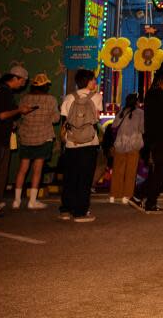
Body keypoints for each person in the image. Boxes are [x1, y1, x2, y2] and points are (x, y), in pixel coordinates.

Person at [0, 66, 33, 217]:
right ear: (15, 78)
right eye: (22, 81)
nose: (23, 84)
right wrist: (19, 110)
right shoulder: (4, 92)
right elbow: (1, 115)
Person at [129, 68, 163, 214]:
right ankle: (147, 201)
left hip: (151, 138)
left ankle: (140, 198)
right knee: (160, 171)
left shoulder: (149, 95)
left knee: (156, 170)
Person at [59, 69, 103, 223]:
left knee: (71, 177)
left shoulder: (69, 97)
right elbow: (97, 118)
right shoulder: (96, 97)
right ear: (89, 81)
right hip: (89, 142)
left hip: (72, 142)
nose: (95, 83)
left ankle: (66, 209)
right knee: (85, 178)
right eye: (93, 80)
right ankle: (80, 212)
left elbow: (64, 118)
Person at [13, 73, 60, 210]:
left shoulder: (24, 98)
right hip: (43, 137)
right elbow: (56, 119)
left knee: (22, 169)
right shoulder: (51, 100)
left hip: (26, 137)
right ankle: (32, 201)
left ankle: (16, 201)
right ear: (46, 86)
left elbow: (20, 116)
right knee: (37, 170)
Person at [110, 93, 144, 204]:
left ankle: (113, 195)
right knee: (131, 171)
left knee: (117, 170)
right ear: (136, 102)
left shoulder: (121, 111)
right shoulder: (140, 113)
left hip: (119, 144)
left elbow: (114, 126)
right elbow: (142, 129)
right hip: (134, 144)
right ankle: (127, 196)